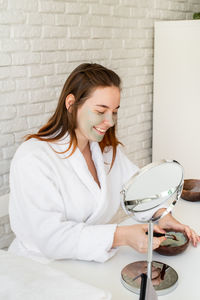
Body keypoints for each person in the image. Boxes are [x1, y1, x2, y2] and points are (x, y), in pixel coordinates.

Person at [8, 63, 199, 264]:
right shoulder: (33, 158)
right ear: (71, 104)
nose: (110, 121)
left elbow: (140, 190)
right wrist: (121, 235)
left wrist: (162, 215)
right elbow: (49, 237)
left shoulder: (106, 150)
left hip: (88, 265)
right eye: (101, 111)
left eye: (114, 111)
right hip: (39, 268)